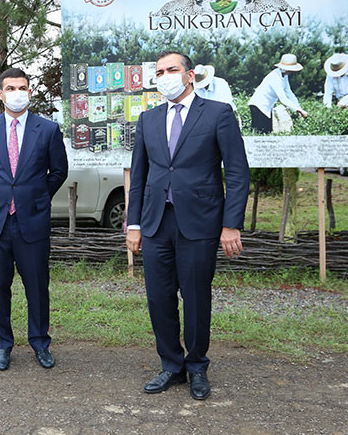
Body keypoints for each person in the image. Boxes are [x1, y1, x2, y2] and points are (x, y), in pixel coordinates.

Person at [126, 51, 250, 401]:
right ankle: (171, 365)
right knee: (158, 297)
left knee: (195, 297)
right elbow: (140, 175)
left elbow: (237, 172)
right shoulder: (148, 119)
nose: (165, 76)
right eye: (159, 72)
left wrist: (231, 225)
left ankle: (196, 366)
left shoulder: (218, 113)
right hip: (156, 222)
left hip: (199, 222)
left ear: (190, 75)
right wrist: (133, 224)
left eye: (172, 69)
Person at [0, 68, 68, 371]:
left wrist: (36, 196)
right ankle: (2, 345)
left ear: (30, 92)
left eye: (22, 87)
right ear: (0, 94)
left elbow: (59, 171)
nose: (17, 93)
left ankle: (40, 343)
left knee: (37, 286)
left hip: (32, 221)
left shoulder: (47, 130)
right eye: (10, 88)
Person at [248, 53, 308, 134]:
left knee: (268, 131)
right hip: (258, 106)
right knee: (260, 132)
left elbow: (289, 93)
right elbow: (283, 99)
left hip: (267, 108)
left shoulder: (284, 76)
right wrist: (298, 110)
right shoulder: (275, 77)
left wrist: (299, 107)